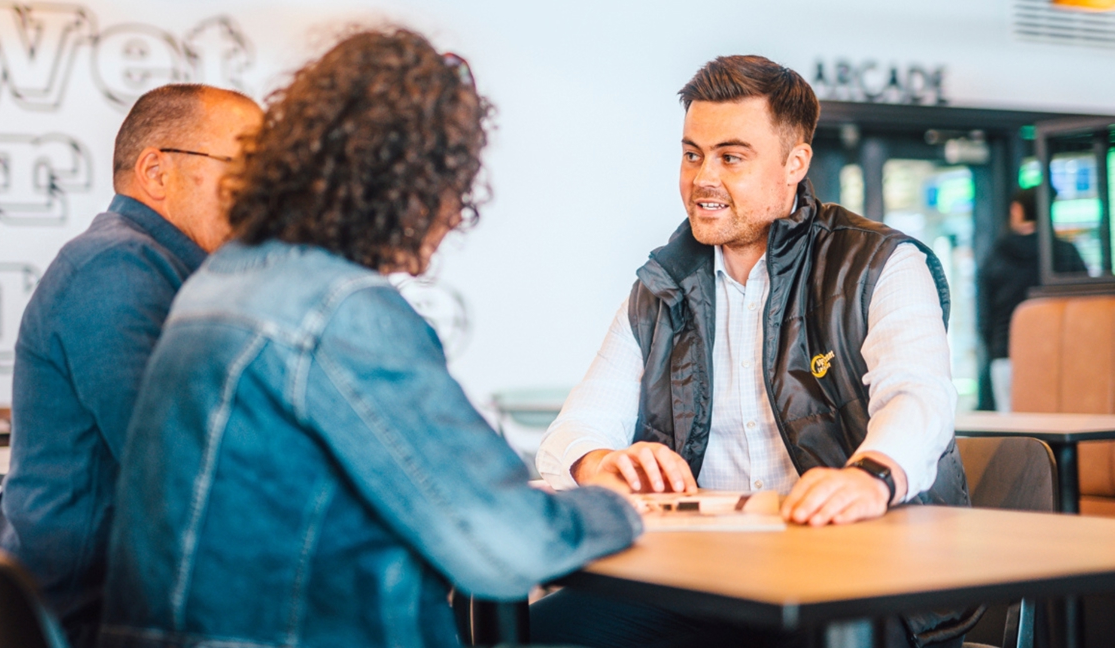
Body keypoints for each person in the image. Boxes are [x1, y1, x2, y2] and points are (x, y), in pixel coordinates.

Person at [97, 28, 641, 648]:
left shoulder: (223, 279)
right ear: (416, 185)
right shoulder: (339, 311)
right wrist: (625, 510)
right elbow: (502, 544)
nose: (454, 212)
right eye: (454, 183)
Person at [534, 55, 975, 648]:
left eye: (731, 157)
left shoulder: (881, 263)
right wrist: (598, 464)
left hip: (859, 578)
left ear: (795, 163)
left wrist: (872, 477)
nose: (703, 179)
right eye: (692, 154)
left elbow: (919, 396)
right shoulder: (660, 285)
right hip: (702, 580)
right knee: (523, 633)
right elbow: (574, 431)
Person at [0, 84, 263, 648]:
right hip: (91, 619)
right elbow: (182, 471)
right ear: (156, 172)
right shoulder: (120, 269)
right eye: (246, 168)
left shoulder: (158, 267)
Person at [978, 187, 1087, 412]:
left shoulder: (996, 255)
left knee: (1013, 433)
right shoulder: (1064, 252)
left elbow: (984, 316)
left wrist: (995, 348)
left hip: (1006, 354)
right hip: (1057, 355)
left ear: (1017, 210)